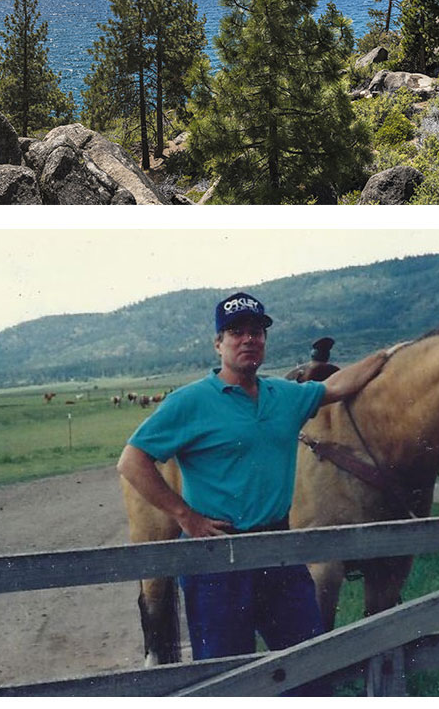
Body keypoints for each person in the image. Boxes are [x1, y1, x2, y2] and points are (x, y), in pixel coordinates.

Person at [117, 292, 388, 684]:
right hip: (218, 560)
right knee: (227, 680)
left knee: (307, 668)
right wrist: (185, 517)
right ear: (218, 344)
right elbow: (132, 461)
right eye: (236, 332)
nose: (248, 339)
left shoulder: (285, 395)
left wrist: (387, 355)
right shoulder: (190, 402)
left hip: (280, 551)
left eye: (257, 332)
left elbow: (335, 388)